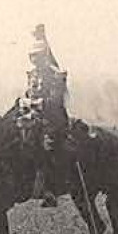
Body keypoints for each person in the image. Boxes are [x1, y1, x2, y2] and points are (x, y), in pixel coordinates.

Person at [18, 24, 70, 207]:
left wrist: (35, 104)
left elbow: (55, 102)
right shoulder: (31, 74)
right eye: (32, 57)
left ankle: (49, 188)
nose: (34, 60)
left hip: (53, 120)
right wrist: (24, 102)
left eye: (38, 56)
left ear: (45, 56)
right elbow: (28, 94)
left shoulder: (56, 75)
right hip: (33, 118)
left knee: (45, 145)